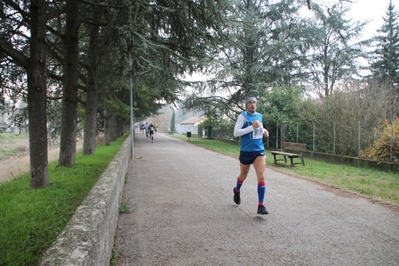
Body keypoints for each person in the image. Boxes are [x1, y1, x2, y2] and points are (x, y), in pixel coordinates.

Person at [233, 96, 270, 215]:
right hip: (246, 150)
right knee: (243, 175)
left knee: (261, 176)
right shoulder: (242, 116)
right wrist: (251, 127)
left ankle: (261, 205)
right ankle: (237, 190)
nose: (252, 105)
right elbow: (236, 133)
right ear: (246, 105)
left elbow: (260, 127)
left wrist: (264, 131)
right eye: (250, 103)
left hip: (258, 150)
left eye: (254, 103)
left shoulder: (259, 116)